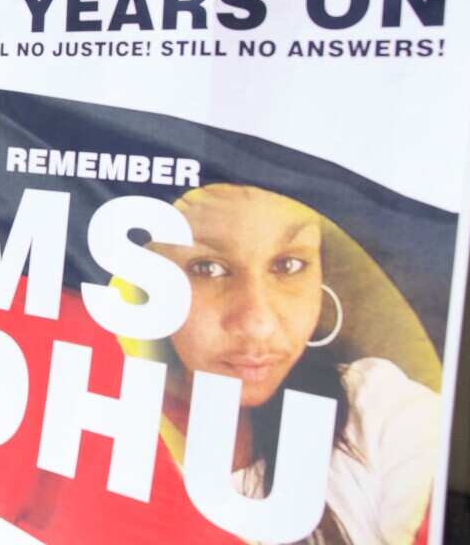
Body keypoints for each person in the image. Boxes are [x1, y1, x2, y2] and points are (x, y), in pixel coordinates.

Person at [148, 184, 439, 544]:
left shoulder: (377, 409)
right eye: (206, 267)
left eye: (288, 265)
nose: (259, 323)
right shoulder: (93, 427)